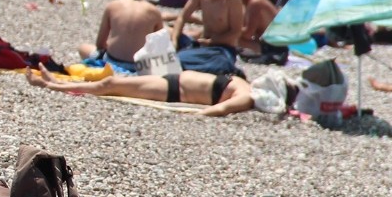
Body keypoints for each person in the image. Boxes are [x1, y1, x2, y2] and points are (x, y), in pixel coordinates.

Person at [27, 66, 255, 118]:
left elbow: (221, 109)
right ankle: (54, 82)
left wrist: (193, 114)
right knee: (112, 84)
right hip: (172, 80)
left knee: (109, 85)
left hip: (174, 91)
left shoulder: (246, 95)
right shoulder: (244, 85)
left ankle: (51, 84)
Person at [77, 0, 164, 75]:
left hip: (113, 62)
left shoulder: (112, 6)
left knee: (83, 48)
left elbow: (100, 43)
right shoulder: (154, 12)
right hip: (139, 66)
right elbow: (160, 48)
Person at [170, 0, 244, 75]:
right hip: (201, 44)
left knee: (219, 64)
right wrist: (174, 40)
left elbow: (236, 31)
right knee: (167, 32)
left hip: (221, 49)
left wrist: (211, 42)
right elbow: (182, 17)